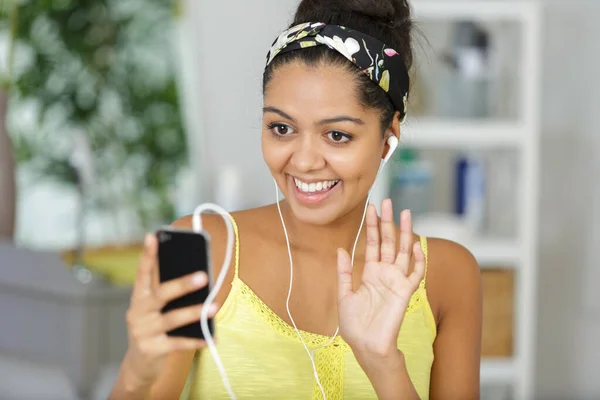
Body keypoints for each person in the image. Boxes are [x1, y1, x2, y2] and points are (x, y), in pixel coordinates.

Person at [109, 0, 482, 398]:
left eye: (337, 135)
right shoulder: (198, 248)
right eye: (282, 128)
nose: (303, 162)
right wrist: (137, 371)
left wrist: (383, 363)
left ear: (389, 134)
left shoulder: (446, 273)